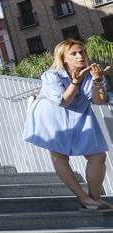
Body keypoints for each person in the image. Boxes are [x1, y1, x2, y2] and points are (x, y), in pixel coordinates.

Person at [22, 38, 113, 211]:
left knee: (98, 155)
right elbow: (63, 101)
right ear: (64, 58)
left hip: (80, 115)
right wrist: (76, 81)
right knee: (60, 156)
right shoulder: (52, 75)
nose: (80, 56)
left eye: (82, 52)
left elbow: (98, 101)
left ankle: (94, 198)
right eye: (74, 53)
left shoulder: (91, 73)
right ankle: (83, 198)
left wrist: (98, 81)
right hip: (52, 115)